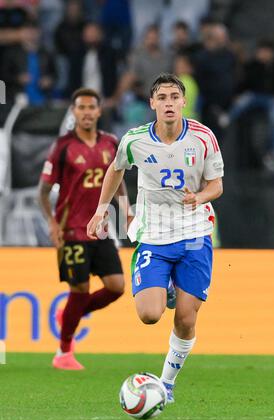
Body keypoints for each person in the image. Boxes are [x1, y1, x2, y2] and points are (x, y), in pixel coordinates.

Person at [87, 74, 224, 402]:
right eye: (161, 97)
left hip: (194, 234)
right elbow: (116, 169)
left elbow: (216, 185)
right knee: (149, 314)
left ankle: (167, 383)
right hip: (154, 235)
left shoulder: (204, 137)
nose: (168, 103)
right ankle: (166, 289)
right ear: (152, 104)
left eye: (174, 97)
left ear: (183, 102)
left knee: (186, 320)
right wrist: (100, 210)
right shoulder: (134, 140)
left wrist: (200, 197)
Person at [39, 87, 132, 370]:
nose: (87, 112)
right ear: (74, 112)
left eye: (92, 107)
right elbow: (43, 193)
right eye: (81, 108)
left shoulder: (110, 144)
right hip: (71, 231)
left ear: (99, 111)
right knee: (79, 289)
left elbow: (117, 179)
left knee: (116, 287)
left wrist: (126, 209)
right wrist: (53, 224)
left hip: (100, 229)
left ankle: (69, 314)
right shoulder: (63, 147)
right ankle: (64, 352)